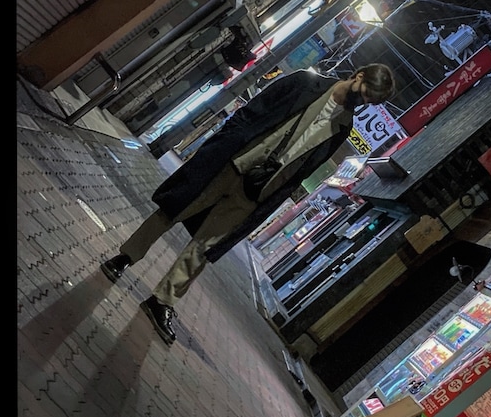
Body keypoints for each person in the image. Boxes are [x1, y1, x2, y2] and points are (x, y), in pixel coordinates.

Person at [101, 64, 396, 345]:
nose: (363, 101)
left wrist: (275, 196)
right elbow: (254, 109)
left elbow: (305, 169)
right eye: (365, 93)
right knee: (175, 208)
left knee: (207, 245)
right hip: (232, 162)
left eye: (370, 101)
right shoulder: (305, 82)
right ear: (359, 76)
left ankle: (162, 300)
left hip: (261, 189)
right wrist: (228, 141)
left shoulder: (343, 127)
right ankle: (125, 256)